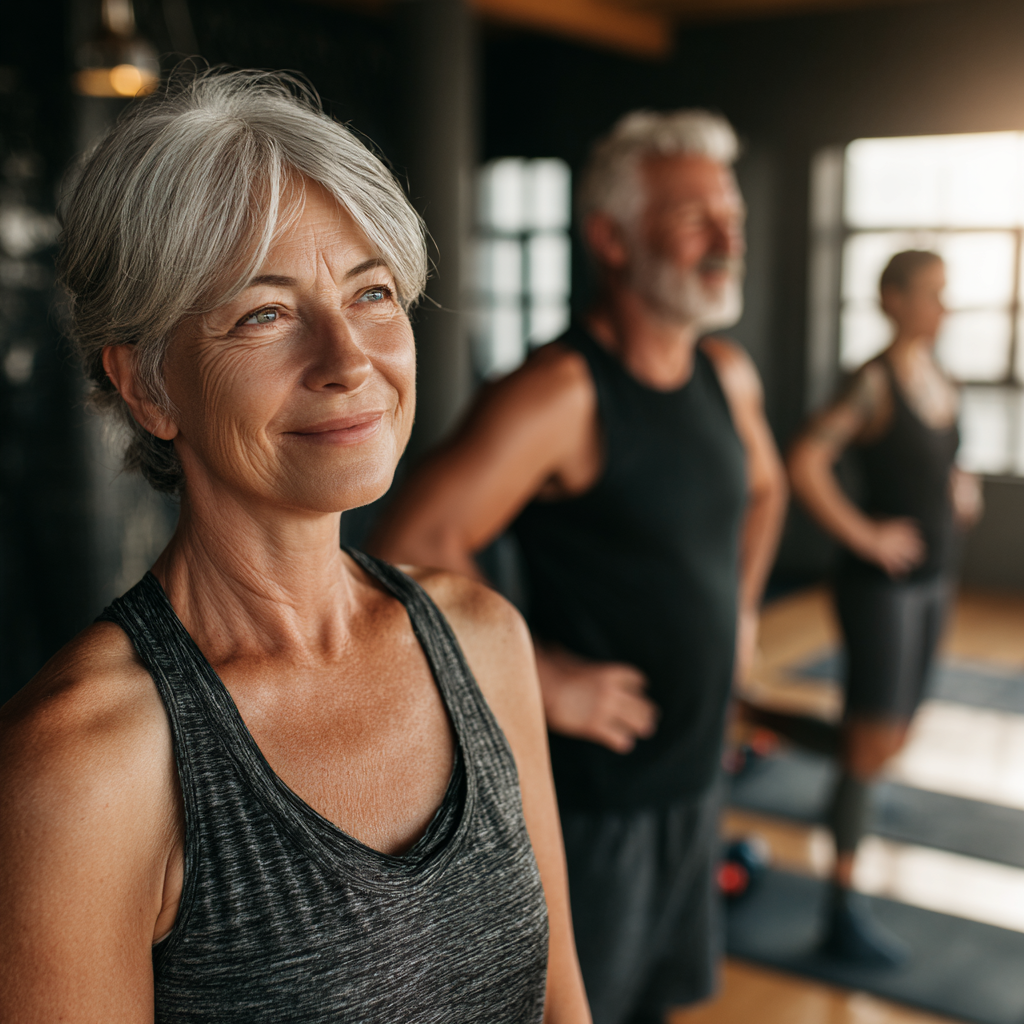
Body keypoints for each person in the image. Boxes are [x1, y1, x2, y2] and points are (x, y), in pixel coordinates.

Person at [0, 69, 591, 1024]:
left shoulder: (483, 640)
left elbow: (562, 1008)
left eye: (373, 294)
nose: (350, 360)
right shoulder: (85, 764)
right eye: (265, 314)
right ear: (149, 388)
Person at [368, 110, 788, 1024]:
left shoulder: (726, 373)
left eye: (732, 218)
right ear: (612, 237)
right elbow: (407, 542)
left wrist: (742, 613)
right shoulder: (560, 392)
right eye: (692, 219)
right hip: (597, 805)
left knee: (657, 1003)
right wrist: (546, 682)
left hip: (693, 778)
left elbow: (767, 492)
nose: (726, 240)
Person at [786, 250, 983, 965]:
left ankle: (781, 734)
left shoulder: (940, 376)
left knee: (890, 735)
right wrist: (866, 533)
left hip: (935, 580)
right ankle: (839, 913)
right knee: (870, 745)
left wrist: (958, 483)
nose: (943, 306)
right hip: (881, 590)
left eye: (945, 291)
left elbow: (940, 458)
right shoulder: (873, 382)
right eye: (932, 293)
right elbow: (805, 461)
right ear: (894, 299)